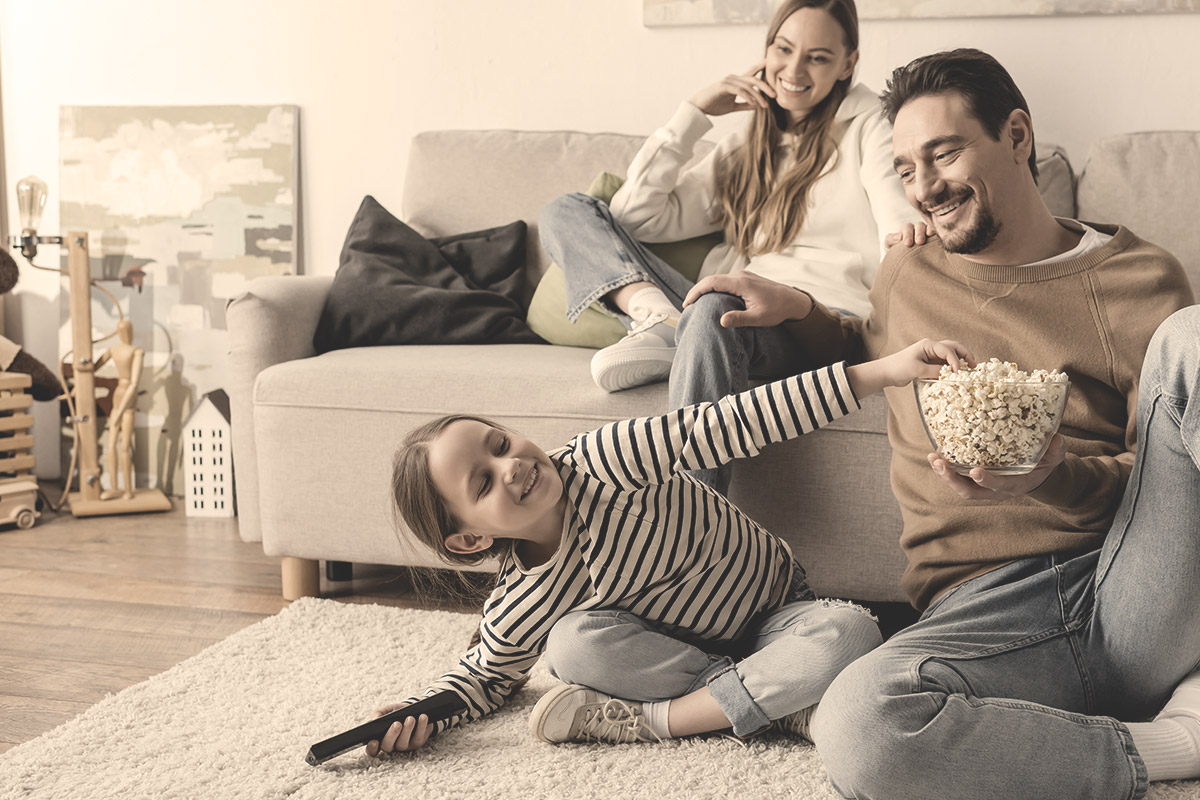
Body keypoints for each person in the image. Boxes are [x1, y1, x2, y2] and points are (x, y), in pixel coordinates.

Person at [683, 48, 1198, 798]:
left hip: (1130, 589)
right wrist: (803, 311)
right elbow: (871, 350)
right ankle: (1171, 743)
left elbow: (1162, 477)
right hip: (981, 615)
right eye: (905, 168)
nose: (924, 187)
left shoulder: (1138, 278)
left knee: (1194, 339)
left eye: (943, 154)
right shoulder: (909, 272)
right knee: (858, 722)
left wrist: (1053, 477)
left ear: (1017, 136)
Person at [362, 338, 980, 757]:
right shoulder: (523, 601)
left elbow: (735, 421)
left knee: (848, 632)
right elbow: (482, 681)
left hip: (775, 615)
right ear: (471, 537)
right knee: (570, 646)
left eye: (499, 444)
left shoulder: (605, 461)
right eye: (483, 482)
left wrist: (886, 370)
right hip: (677, 660)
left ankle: (664, 722)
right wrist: (417, 716)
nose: (512, 466)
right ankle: (776, 705)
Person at [538, 0, 919, 493]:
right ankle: (660, 318)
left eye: (818, 57)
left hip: (814, 321)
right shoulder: (746, 145)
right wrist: (694, 113)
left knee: (714, 306)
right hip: (724, 307)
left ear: (848, 64)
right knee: (567, 209)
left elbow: (900, 228)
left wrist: (892, 313)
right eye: (784, 49)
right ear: (766, 50)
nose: (794, 70)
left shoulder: (873, 125)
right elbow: (634, 218)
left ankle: (694, 520)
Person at [96, 320, 144, 501]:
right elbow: (91, 367)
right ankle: (114, 487)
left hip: (126, 399)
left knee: (124, 447)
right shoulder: (115, 350)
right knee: (111, 445)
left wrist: (120, 410)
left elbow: (134, 383)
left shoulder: (136, 352)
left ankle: (128, 490)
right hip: (120, 395)